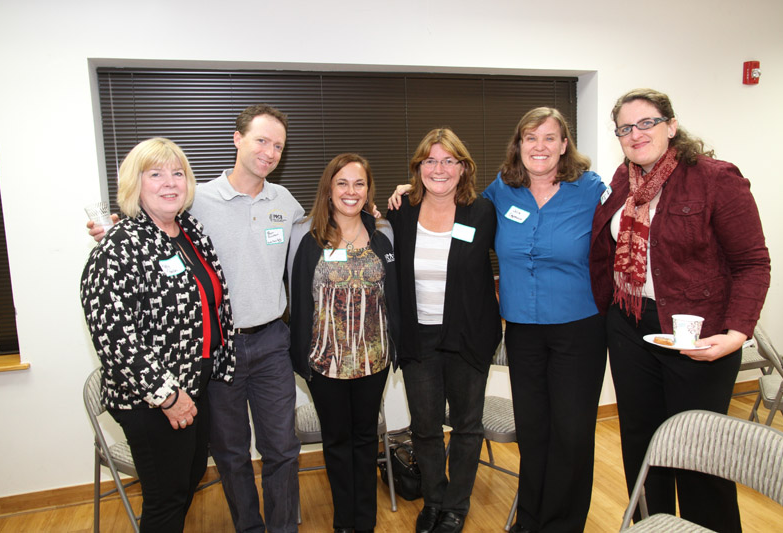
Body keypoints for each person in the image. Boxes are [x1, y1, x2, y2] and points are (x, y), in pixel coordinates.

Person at [89, 105, 304, 533]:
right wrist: (116, 229)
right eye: (261, 140)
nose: (269, 152)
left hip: (271, 342)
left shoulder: (286, 202)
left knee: (282, 449)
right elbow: (147, 232)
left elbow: (322, 235)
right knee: (230, 453)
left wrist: (375, 210)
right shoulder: (194, 200)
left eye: (278, 145)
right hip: (217, 350)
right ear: (237, 139)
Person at [589, 88, 770, 532]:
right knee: (642, 442)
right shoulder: (622, 180)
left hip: (697, 333)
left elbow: (752, 263)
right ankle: (651, 525)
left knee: (699, 450)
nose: (636, 134)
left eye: (647, 122)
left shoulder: (715, 178)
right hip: (630, 325)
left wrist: (736, 333)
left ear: (671, 126)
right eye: (625, 128)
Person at [80, 138, 235, 533]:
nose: (170, 182)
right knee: (166, 501)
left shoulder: (189, 231)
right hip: (152, 400)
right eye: (156, 174)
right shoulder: (118, 248)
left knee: (187, 481)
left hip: (195, 384)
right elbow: (116, 340)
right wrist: (167, 396)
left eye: (177, 173)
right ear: (135, 185)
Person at [483, 108, 607, 533]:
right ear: (518, 145)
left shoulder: (591, 189)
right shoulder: (502, 189)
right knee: (534, 430)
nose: (540, 147)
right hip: (522, 330)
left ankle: (562, 525)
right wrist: (410, 193)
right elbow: (457, 210)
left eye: (550, 138)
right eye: (531, 138)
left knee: (571, 433)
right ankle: (529, 521)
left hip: (579, 329)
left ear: (564, 144)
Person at [387, 129, 502, 533]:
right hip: (419, 337)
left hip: (468, 335)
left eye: (449, 161)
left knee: (467, 426)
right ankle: (433, 501)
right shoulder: (401, 212)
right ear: (418, 167)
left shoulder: (482, 212)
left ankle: (456, 506)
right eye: (431, 161)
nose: (440, 169)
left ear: (463, 168)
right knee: (425, 427)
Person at [287, 153, 400, 533]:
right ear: (329, 189)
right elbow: (297, 297)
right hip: (326, 361)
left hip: (373, 360)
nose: (351, 191)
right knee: (337, 443)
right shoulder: (307, 236)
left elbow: (394, 293)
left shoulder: (383, 234)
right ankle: (343, 523)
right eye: (342, 183)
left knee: (366, 440)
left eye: (359, 184)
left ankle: (364, 522)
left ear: (368, 190)